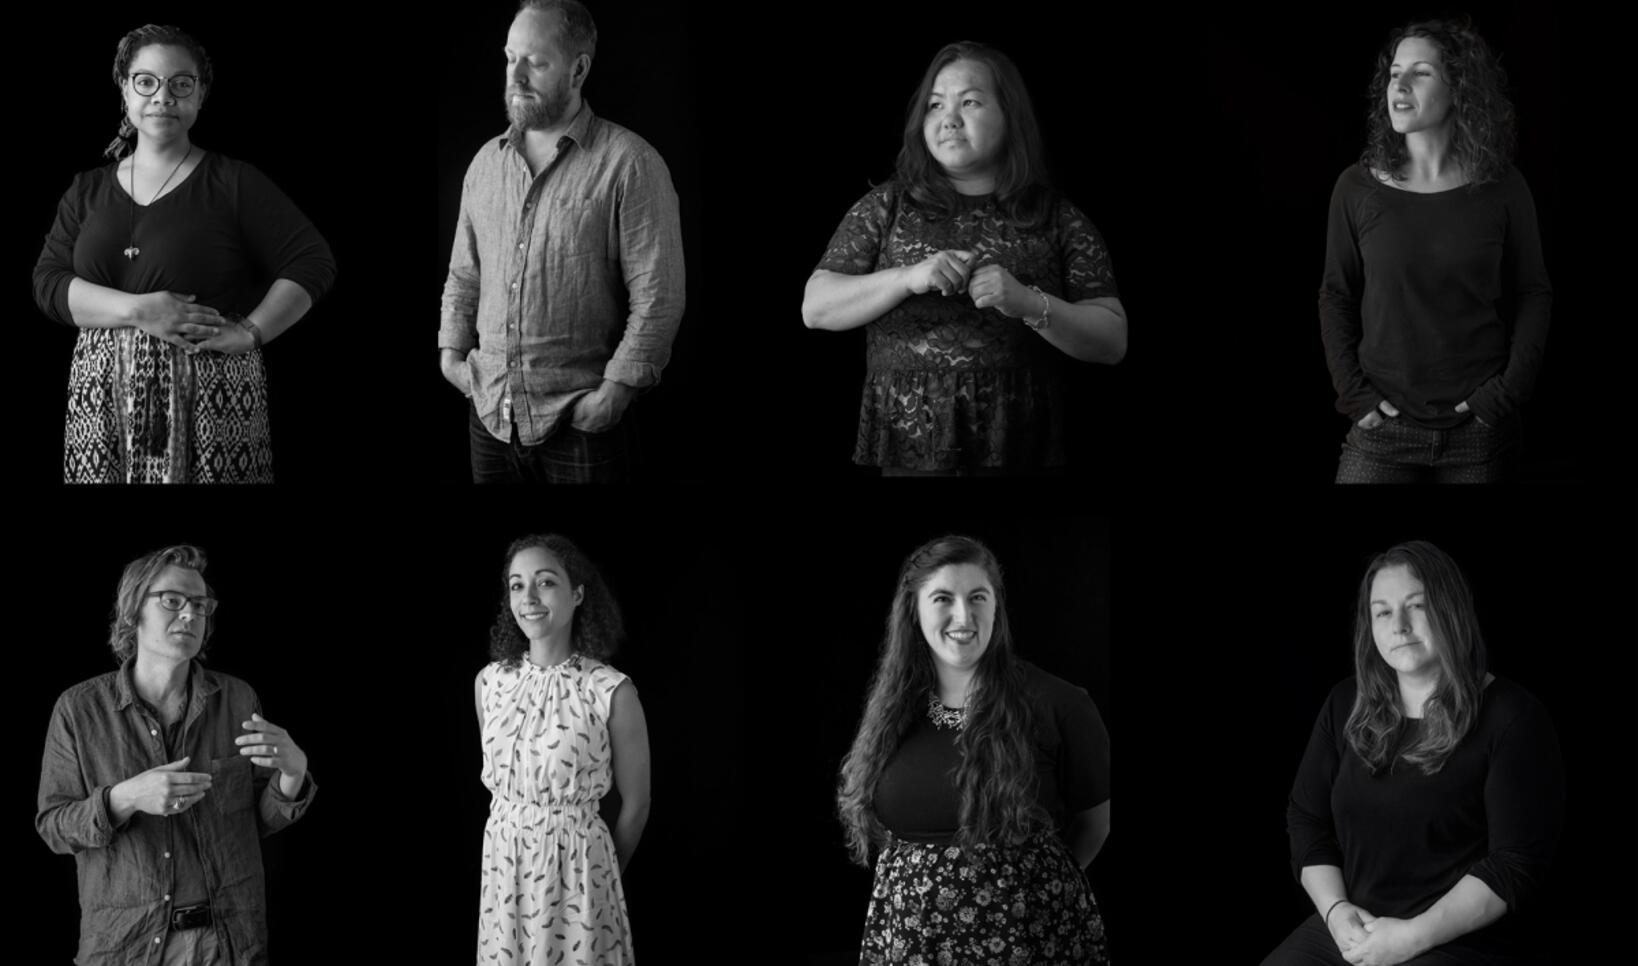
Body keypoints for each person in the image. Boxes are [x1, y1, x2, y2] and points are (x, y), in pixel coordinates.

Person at [802, 42, 1126, 476]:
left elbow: (1112, 342)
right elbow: (815, 308)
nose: (949, 119)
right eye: (935, 105)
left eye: (970, 101)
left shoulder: (1057, 217)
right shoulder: (885, 206)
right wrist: (907, 277)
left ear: (1010, 115)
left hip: (1019, 448)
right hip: (908, 447)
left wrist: (1029, 303)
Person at [32, 24, 336, 484]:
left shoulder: (234, 182)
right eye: (146, 81)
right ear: (124, 89)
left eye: (181, 83)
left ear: (200, 94)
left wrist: (252, 333)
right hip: (101, 399)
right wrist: (139, 311)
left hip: (212, 391)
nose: (163, 96)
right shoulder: (86, 190)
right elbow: (48, 284)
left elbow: (313, 261)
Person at [1264, 541, 1563, 966]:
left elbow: (1515, 863)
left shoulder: (1513, 717)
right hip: (1354, 926)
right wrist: (1335, 913)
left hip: (1460, 939)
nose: (1399, 625)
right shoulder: (1344, 702)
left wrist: (1409, 938)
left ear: (1451, 609)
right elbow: (1306, 818)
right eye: (1383, 611)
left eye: (1417, 606)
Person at [440, 0, 686, 484]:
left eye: (537, 61)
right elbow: (464, 274)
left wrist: (616, 391)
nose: (517, 74)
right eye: (511, 57)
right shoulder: (485, 164)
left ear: (578, 69)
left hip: (581, 424)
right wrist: (451, 355)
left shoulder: (630, 163)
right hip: (487, 414)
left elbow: (659, 294)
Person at [836, 535, 1110, 964]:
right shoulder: (894, 710)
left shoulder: (1061, 704)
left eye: (977, 597)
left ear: (996, 607)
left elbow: (1094, 826)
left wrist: (1020, 893)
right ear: (914, 610)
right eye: (943, 598)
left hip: (1028, 941)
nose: (963, 615)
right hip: (911, 941)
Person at [36, 545, 316, 964]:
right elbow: (53, 827)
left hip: (229, 943)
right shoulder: (79, 710)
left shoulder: (239, 700)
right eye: (172, 601)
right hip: (125, 948)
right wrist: (126, 798)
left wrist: (293, 774)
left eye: (200, 605)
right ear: (134, 610)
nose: (190, 614)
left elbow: (255, 822)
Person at [1318, 19, 1551, 483]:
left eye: (1420, 73)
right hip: (1383, 427)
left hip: (1479, 429)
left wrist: (1504, 395)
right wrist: (1354, 395)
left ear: (1459, 87)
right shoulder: (1357, 187)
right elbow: (1335, 295)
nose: (1399, 85)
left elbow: (1534, 292)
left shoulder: (1503, 187)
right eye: (1394, 72)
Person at [475, 534, 651, 963]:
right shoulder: (490, 683)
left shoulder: (610, 690)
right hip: (504, 871)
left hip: (579, 876)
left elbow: (637, 803)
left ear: (577, 593)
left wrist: (599, 872)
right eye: (517, 585)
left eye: (546, 582)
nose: (529, 597)